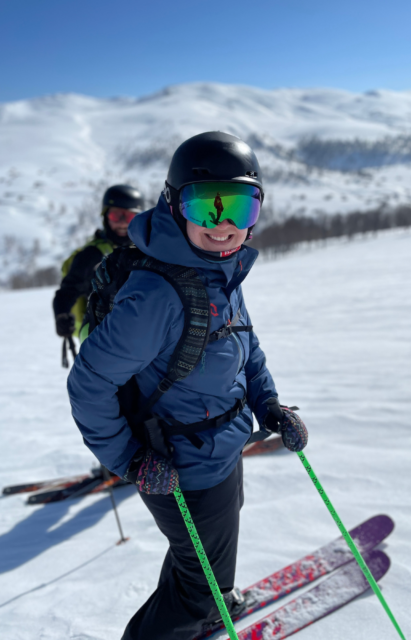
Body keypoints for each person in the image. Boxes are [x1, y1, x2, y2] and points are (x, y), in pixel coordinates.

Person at [67, 131, 309, 639]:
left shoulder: (220, 271)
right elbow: (88, 384)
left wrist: (269, 407)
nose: (223, 225)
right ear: (175, 206)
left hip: (222, 449)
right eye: (206, 207)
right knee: (197, 581)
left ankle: (206, 602)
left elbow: (247, 347)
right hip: (176, 466)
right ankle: (190, 612)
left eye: (240, 207)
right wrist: (131, 461)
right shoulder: (158, 295)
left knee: (202, 561)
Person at [53, 184, 146, 340]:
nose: (123, 223)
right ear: (105, 216)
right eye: (117, 216)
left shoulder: (145, 250)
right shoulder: (91, 255)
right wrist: (62, 315)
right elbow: (68, 291)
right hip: (101, 336)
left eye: (129, 217)